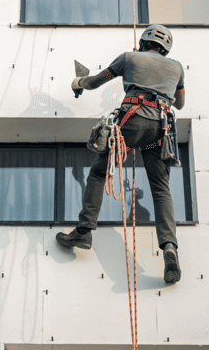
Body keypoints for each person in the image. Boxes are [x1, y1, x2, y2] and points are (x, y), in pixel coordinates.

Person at [60, 24, 186, 284]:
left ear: (143, 41)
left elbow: (97, 82)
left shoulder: (129, 58)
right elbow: (180, 102)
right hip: (158, 132)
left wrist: (78, 82)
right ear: (166, 48)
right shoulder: (176, 67)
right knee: (161, 187)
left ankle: (84, 231)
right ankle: (169, 247)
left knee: (99, 171)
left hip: (132, 124)